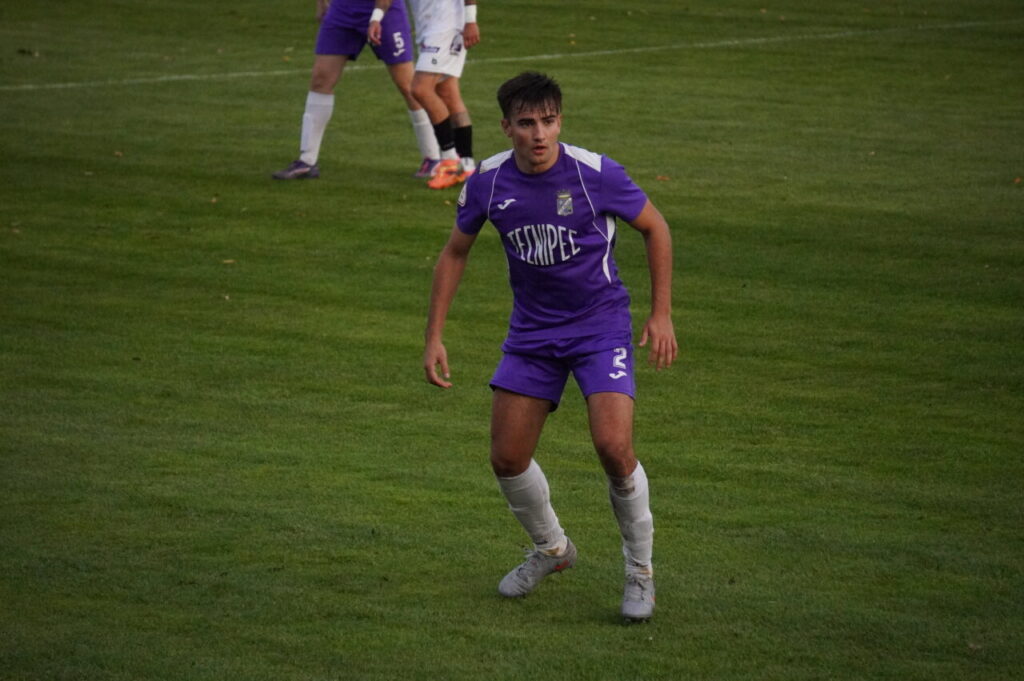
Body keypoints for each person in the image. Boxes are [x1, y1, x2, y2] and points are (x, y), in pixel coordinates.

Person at [423, 72, 678, 621]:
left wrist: (660, 315)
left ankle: (640, 572)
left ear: (560, 119)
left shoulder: (594, 173)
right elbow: (454, 253)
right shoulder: (487, 183)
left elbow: (655, 228)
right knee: (507, 458)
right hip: (533, 333)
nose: (539, 134)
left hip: (600, 326)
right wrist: (434, 335)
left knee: (613, 447)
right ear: (507, 127)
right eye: (526, 123)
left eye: (549, 121)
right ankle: (553, 549)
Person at [272, 0, 440, 180]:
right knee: (321, 80)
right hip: (343, 10)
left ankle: (433, 158)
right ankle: (307, 161)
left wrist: (376, 18)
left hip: (386, 11)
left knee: (408, 86)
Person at [407, 0, 480, 189]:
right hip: (429, 26)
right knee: (448, 93)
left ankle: (449, 162)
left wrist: (470, 20)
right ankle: (467, 165)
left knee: (420, 89)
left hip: (446, 25)